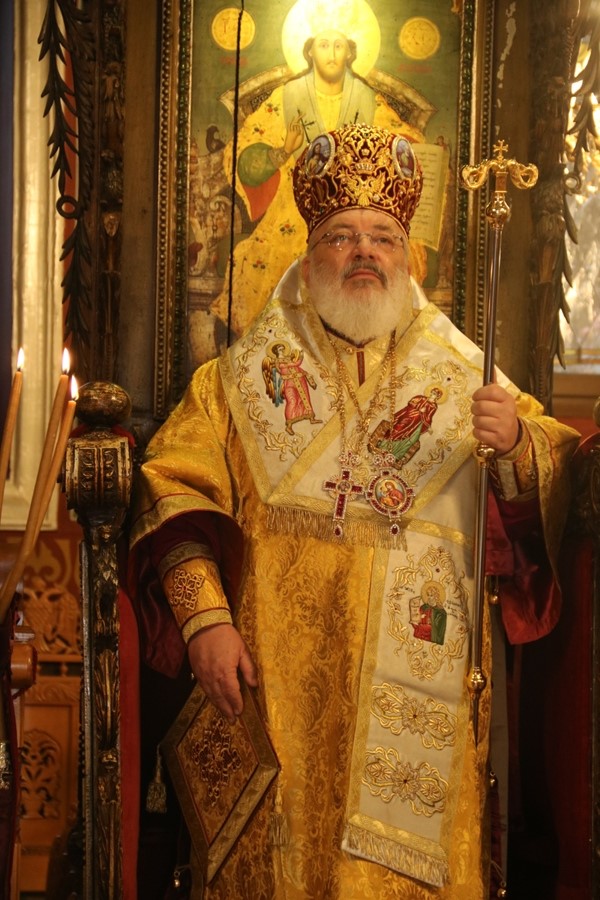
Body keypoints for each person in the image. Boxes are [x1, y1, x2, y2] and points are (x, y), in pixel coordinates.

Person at [130, 124, 579, 899]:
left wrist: (514, 445)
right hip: (273, 688)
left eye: (383, 237)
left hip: (417, 699)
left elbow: (549, 484)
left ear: (409, 259)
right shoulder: (235, 383)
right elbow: (175, 494)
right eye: (341, 236)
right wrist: (205, 623)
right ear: (309, 258)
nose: (364, 252)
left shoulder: (464, 375)